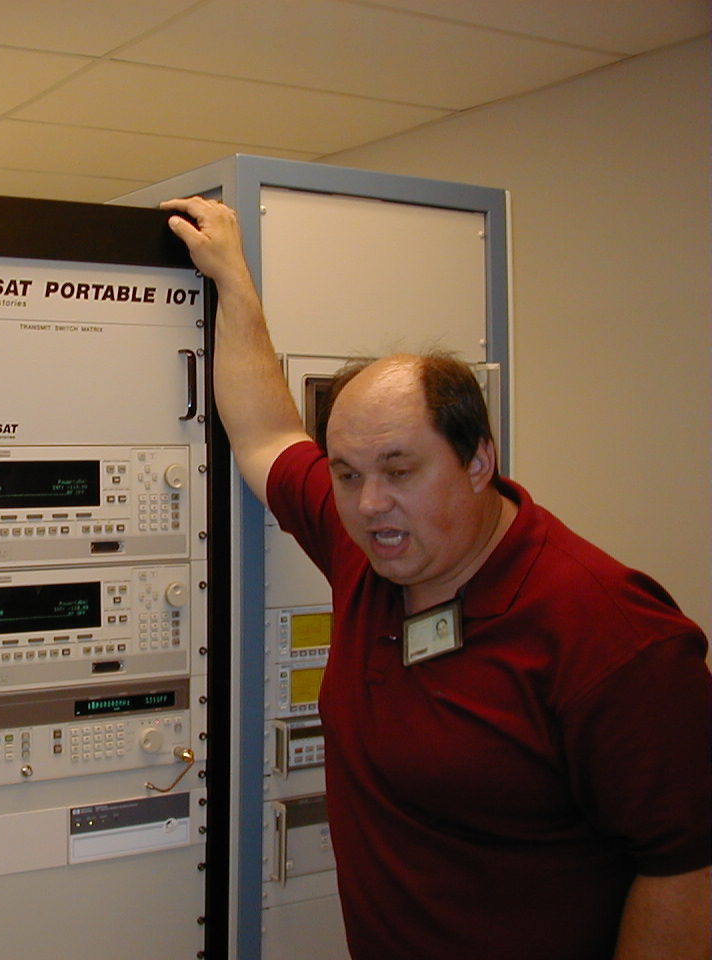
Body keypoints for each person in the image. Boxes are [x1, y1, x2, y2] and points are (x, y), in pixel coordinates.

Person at [160, 194, 712, 960]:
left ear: (479, 460)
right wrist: (232, 281)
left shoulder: (610, 632)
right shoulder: (370, 551)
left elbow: (687, 870)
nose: (369, 503)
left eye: (400, 470)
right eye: (347, 473)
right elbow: (266, 433)